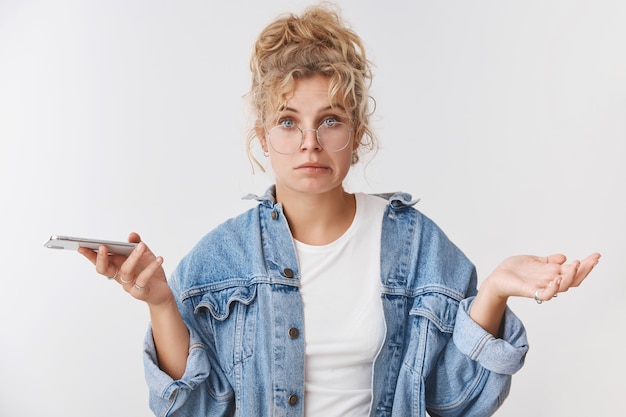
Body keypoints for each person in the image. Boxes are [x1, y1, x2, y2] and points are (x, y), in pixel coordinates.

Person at [79, 4, 600, 417]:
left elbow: (454, 402)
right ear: (261, 136)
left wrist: (493, 291)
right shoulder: (222, 257)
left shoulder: (416, 246)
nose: (310, 142)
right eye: (287, 121)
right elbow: (193, 409)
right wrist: (161, 303)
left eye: (330, 120)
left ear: (357, 134)